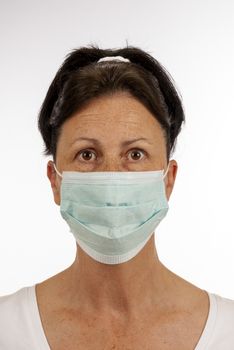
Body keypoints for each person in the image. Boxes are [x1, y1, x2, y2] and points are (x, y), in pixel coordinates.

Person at [0, 45, 234, 350]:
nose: (111, 177)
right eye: (87, 154)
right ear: (55, 180)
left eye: (135, 154)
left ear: (169, 179)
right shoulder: (7, 327)